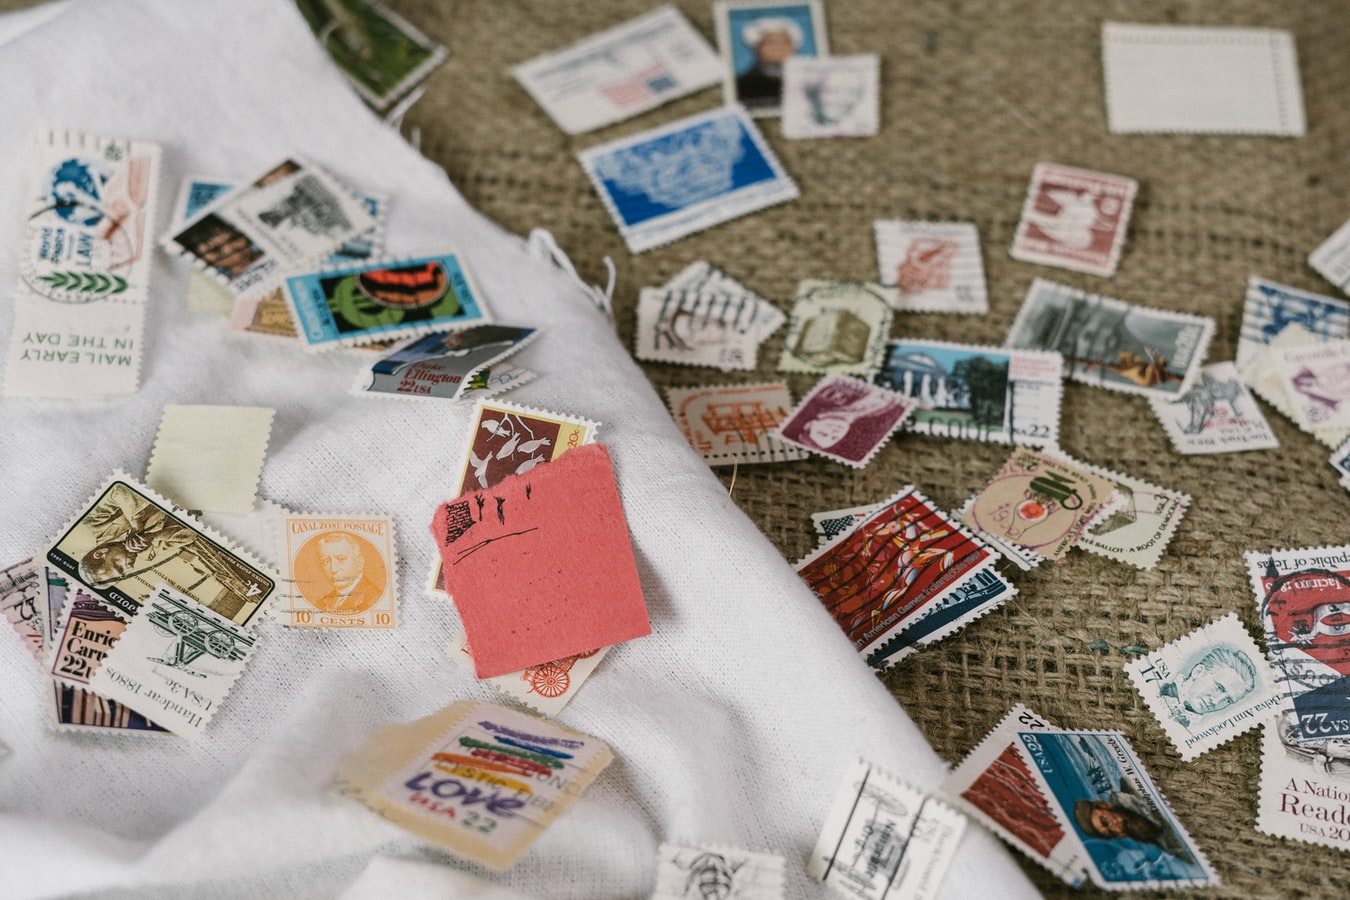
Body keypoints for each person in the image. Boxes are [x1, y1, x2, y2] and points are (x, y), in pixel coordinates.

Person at [79, 483, 194, 588]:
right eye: (123, 573)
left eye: (118, 567)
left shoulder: (94, 522)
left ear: (100, 553)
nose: (131, 568)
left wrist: (136, 522)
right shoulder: (147, 554)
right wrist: (155, 536)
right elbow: (191, 535)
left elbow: (119, 488)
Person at [1074, 782, 1197, 865]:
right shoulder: (1170, 848)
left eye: (1105, 821)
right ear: (1121, 836)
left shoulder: (1132, 791)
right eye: (1111, 832)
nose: (1115, 827)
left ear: (1105, 805)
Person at [1159, 646, 1258, 721]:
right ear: (1198, 672)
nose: (1216, 702)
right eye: (1219, 687)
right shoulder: (1160, 694)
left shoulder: (1195, 723)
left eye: (1228, 700)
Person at [735, 17, 803, 110]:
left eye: (784, 42)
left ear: (794, 47)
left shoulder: (808, 82)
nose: (778, 48)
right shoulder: (740, 85)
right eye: (770, 42)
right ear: (756, 48)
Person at [311, 531, 384, 614]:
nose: (333, 569)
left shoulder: (374, 599)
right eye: (326, 561)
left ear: (359, 563)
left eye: (341, 559)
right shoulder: (321, 603)